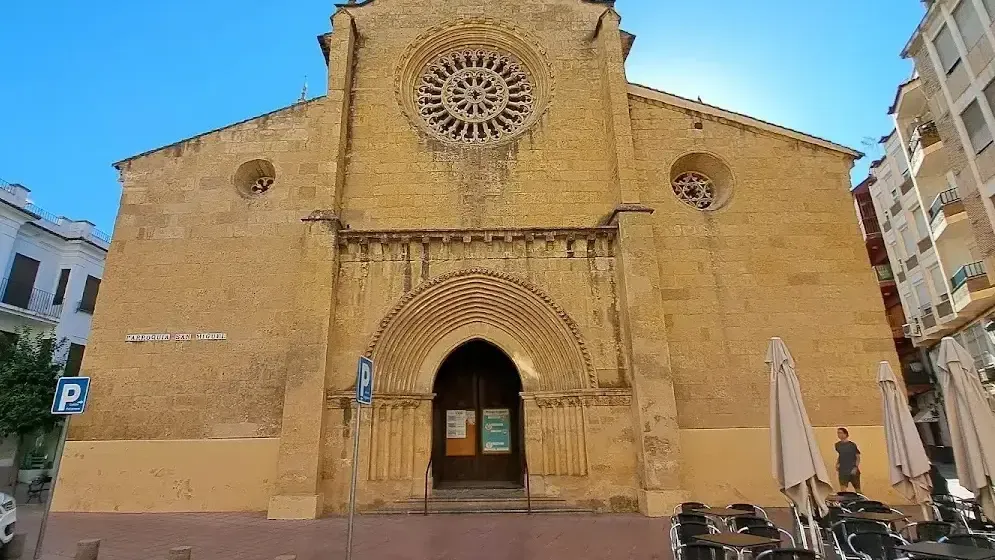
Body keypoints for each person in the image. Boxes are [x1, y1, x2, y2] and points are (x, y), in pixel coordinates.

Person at [835, 427, 861, 492]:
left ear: (845, 434)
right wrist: (837, 463)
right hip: (843, 470)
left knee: (858, 490)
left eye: (840, 433)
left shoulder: (852, 445)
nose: (839, 435)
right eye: (838, 433)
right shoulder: (837, 445)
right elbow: (841, 455)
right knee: (843, 489)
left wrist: (855, 467)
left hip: (852, 469)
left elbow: (857, 456)